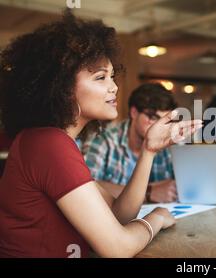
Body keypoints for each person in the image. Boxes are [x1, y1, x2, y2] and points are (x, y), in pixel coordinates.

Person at [0, 11, 202, 258]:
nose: (114, 86)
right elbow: (117, 248)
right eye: (100, 77)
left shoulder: (51, 140)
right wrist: (156, 219)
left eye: (112, 76)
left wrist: (149, 151)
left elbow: (118, 213)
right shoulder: (49, 144)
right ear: (62, 87)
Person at [83, 83, 178, 203]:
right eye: (153, 117)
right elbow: (86, 188)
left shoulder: (170, 146)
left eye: (165, 120)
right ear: (134, 113)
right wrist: (149, 192)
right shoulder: (104, 141)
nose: (159, 127)